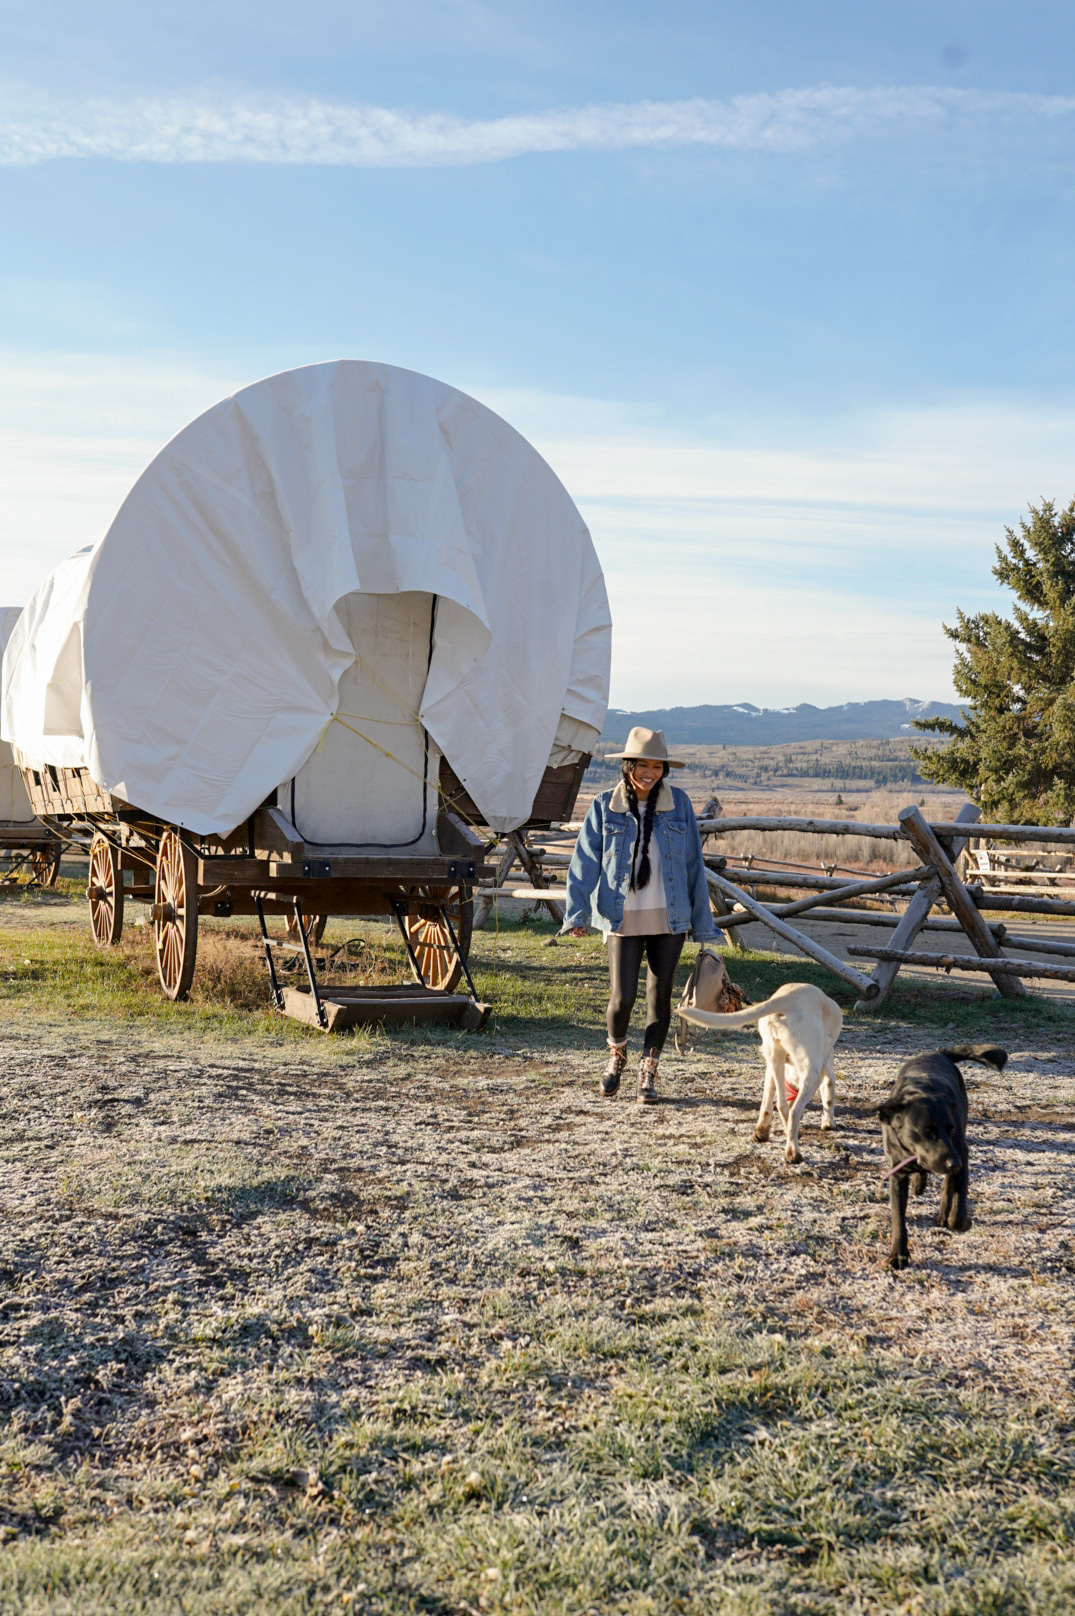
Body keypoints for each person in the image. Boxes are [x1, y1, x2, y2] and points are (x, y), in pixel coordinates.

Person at [563, 726, 722, 1103]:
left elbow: (692, 866)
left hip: (670, 918)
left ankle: (649, 1072)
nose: (649, 772)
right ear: (628, 766)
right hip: (622, 917)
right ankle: (617, 1055)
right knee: (621, 998)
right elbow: (584, 862)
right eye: (642, 765)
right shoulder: (605, 805)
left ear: (664, 769)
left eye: (657, 765)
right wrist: (578, 913)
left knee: (659, 998)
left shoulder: (679, 804)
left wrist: (702, 922)